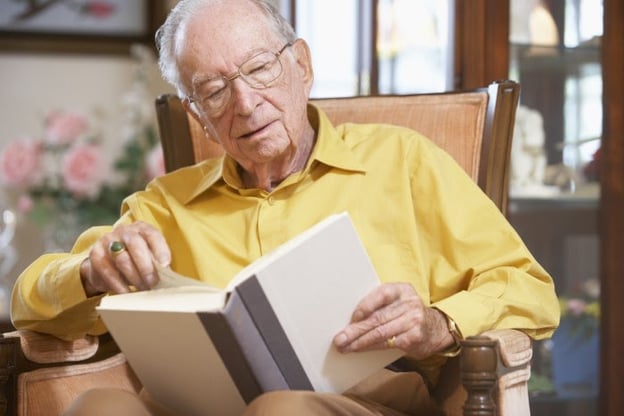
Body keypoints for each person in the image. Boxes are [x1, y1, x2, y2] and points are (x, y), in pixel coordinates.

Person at [11, 0, 560, 415]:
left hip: (362, 401)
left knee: (282, 408)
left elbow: (529, 289)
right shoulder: (167, 204)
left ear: (301, 64)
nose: (246, 104)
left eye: (259, 69)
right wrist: (87, 270)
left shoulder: (402, 161)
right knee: (97, 407)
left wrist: (440, 323)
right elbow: (27, 303)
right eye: (215, 90)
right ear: (197, 114)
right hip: (200, 405)